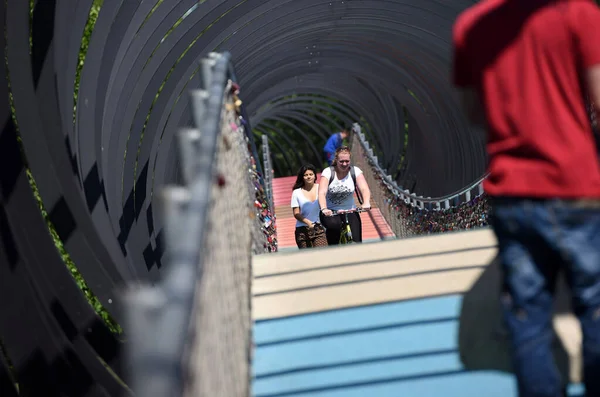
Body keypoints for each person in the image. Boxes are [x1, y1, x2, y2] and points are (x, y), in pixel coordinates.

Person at [452, 1, 600, 396]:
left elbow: (472, 112)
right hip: (576, 187)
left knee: (528, 315)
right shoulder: (576, 14)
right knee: (595, 303)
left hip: (512, 193)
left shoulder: (471, 27)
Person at [318, 146, 371, 245]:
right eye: (341, 161)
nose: (344, 164)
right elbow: (322, 192)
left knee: (357, 241)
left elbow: (364, 189)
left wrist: (366, 202)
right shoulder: (328, 172)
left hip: (350, 210)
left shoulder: (355, 171)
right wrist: (324, 208)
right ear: (336, 160)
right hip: (331, 211)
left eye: (347, 161)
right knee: (334, 227)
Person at [291, 164, 327, 249]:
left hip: (319, 227)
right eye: (306, 175)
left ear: (315, 176)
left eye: (311, 174)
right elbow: (296, 213)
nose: (308, 177)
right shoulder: (296, 192)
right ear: (302, 177)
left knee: (322, 255)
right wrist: (308, 222)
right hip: (302, 230)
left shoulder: (321, 188)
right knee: (307, 259)